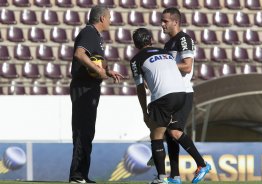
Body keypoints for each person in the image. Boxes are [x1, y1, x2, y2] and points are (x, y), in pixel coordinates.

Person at [130, 27, 202, 184]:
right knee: (174, 132)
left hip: (163, 97)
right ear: (151, 40)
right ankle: (200, 165)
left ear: (135, 44)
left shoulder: (136, 60)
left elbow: (141, 88)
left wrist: (144, 111)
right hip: (182, 94)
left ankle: (161, 178)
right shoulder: (165, 53)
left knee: (155, 135)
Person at [69, 5, 123, 183]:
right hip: (83, 87)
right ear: (102, 19)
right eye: (109, 17)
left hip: (90, 87)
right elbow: (79, 54)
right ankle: (76, 175)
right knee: (82, 129)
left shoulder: (96, 37)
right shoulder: (89, 33)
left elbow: (96, 62)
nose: (110, 21)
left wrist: (107, 72)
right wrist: (97, 70)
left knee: (88, 131)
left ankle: (82, 175)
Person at [161, 7, 211, 184]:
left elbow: (187, 66)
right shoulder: (168, 44)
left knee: (174, 132)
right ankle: (174, 177)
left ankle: (202, 164)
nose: (162, 24)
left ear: (175, 21)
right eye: (162, 20)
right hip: (171, 92)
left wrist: (164, 66)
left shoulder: (184, 39)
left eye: (165, 21)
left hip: (183, 92)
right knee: (170, 134)